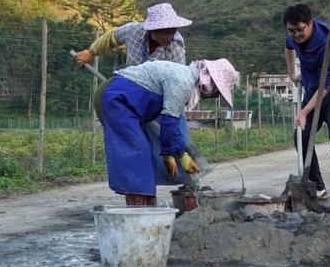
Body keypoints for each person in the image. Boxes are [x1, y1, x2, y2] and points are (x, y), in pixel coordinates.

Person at [75, 3, 196, 194]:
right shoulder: (134, 31)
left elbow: (178, 85)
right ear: (152, 30)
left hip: (162, 96)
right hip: (130, 95)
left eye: (172, 30)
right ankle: (141, 187)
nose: (169, 35)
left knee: (179, 133)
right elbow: (111, 37)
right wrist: (91, 53)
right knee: (139, 144)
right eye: (164, 31)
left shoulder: (176, 47)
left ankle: (189, 183)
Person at [95, 58, 240, 206]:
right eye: (217, 91)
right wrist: (183, 157)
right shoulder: (183, 82)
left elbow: (170, 123)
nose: (215, 95)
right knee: (138, 154)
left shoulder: (185, 78)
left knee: (146, 154)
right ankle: (139, 211)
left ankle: (149, 207)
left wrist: (169, 154)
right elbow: (169, 123)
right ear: (210, 81)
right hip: (116, 99)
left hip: (128, 105)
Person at [284, 4, 330, 208]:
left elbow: (327, 86)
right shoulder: (293, 36)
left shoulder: (328, 45)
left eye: (300, 29)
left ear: (310, 23)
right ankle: (316, 186)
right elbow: (289, 47)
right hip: (313, 89)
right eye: (292, 30)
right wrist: (291, 73)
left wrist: (304, 111)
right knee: (301, 137)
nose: (296, 34)